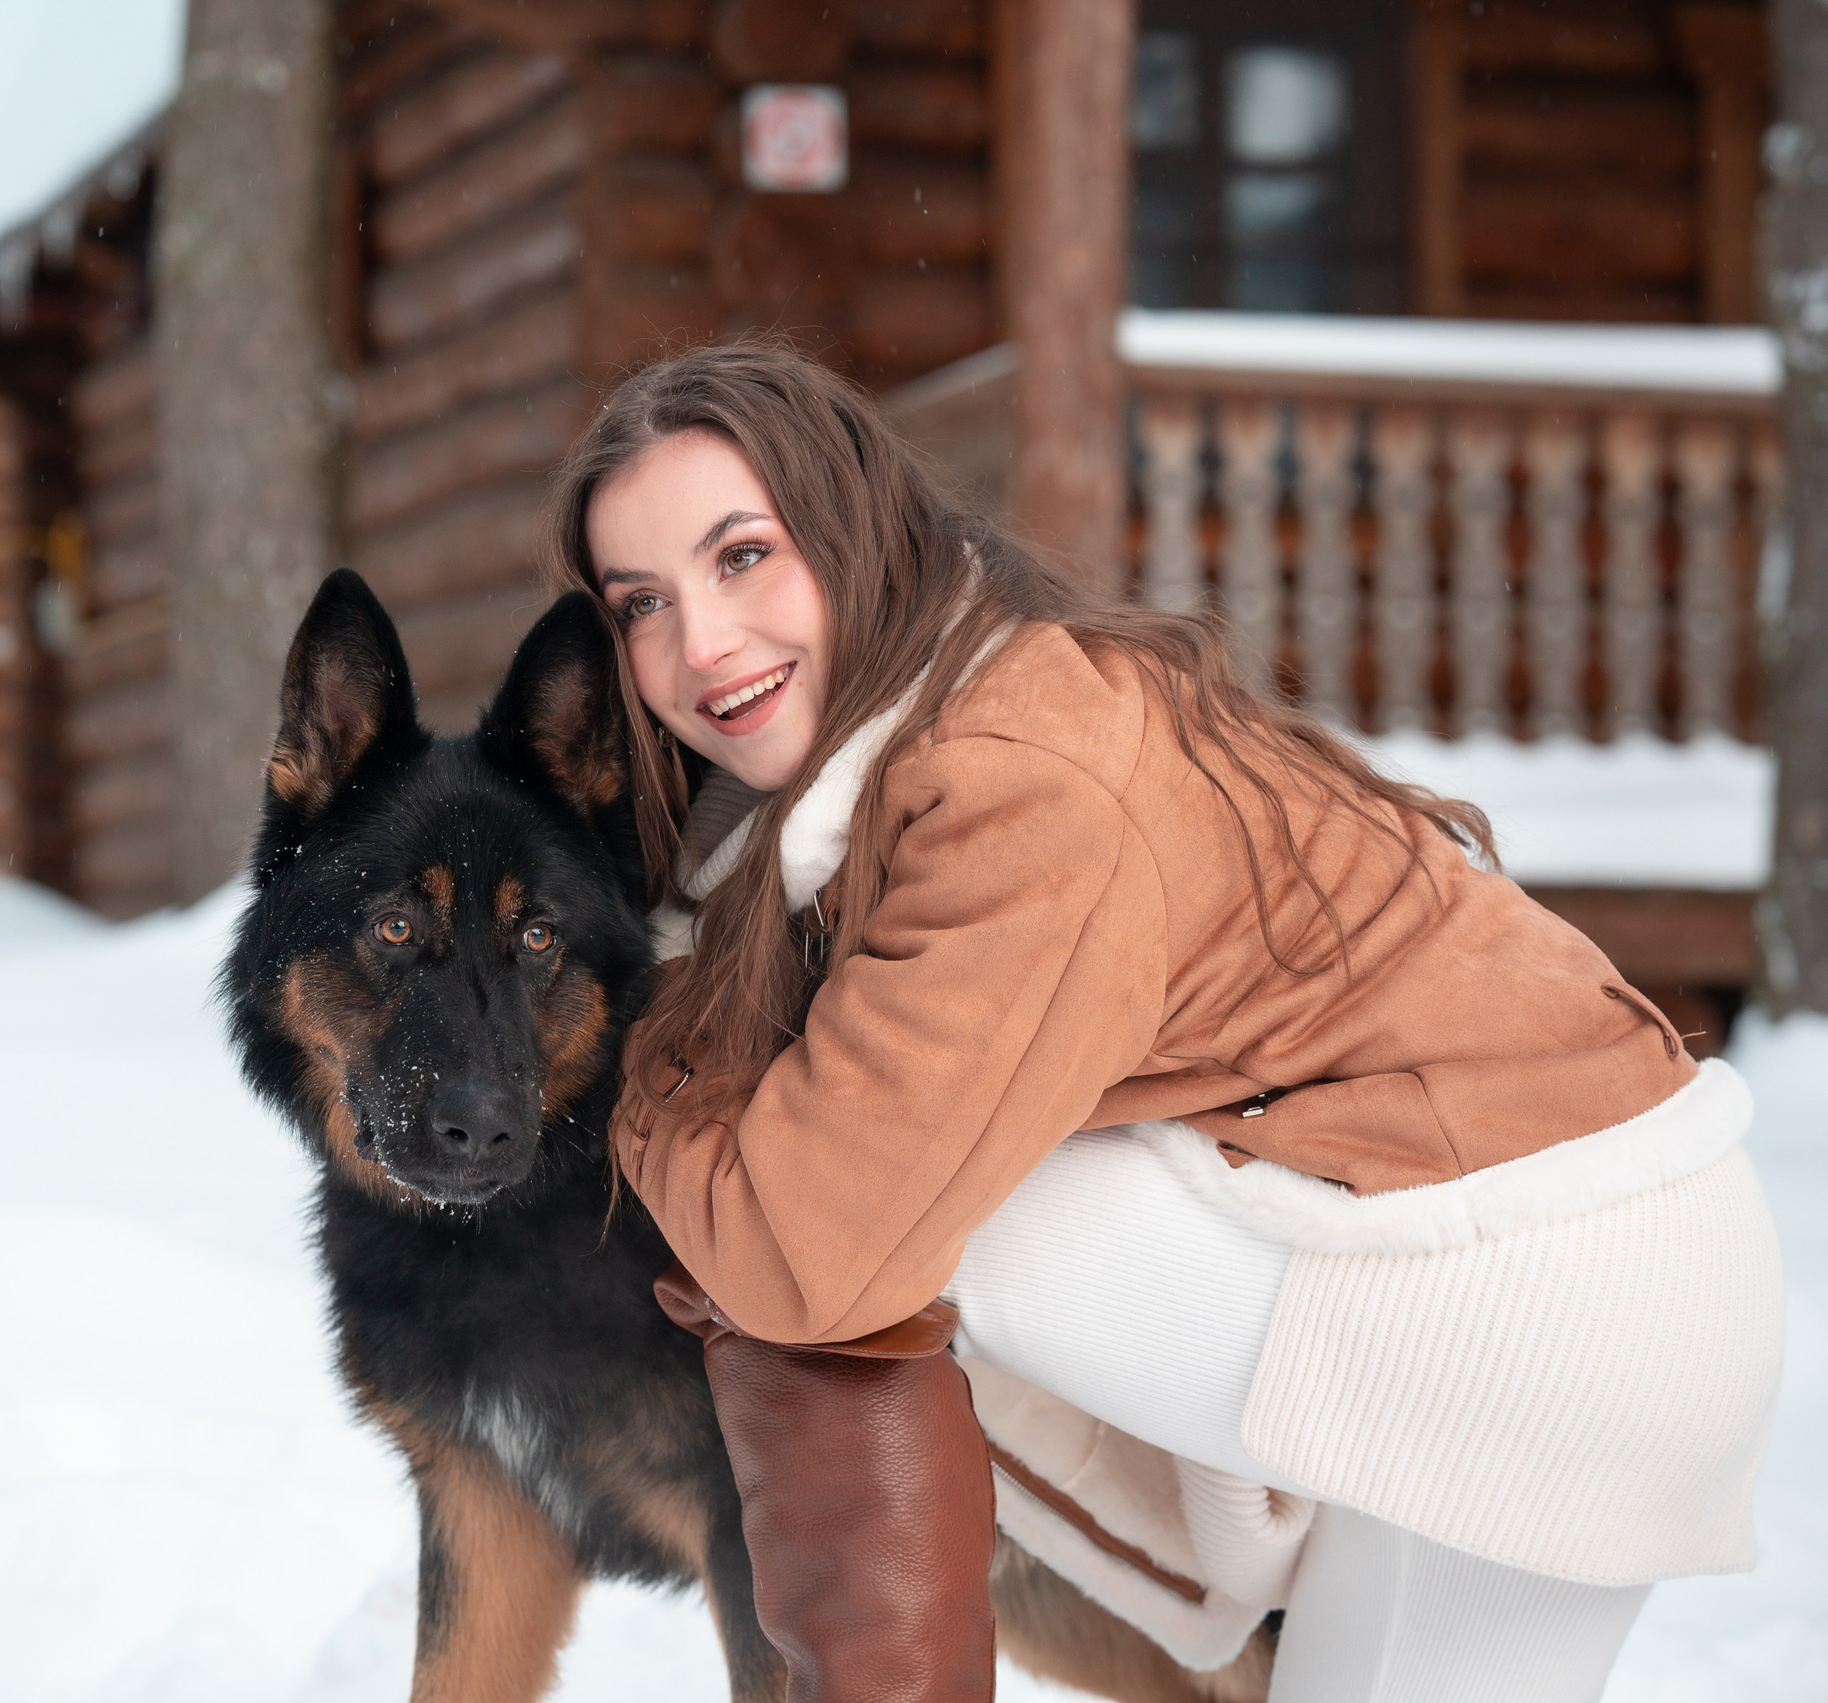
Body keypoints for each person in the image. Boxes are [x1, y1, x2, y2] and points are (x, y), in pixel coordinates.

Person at [544, 341, 1784, 1703]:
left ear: (855, 533)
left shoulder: (1015, 784)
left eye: (742, 558)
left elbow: (810, 1256)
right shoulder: (935, 742)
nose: (699, 646)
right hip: (1572, 1257)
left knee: (873, 1205)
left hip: (1546, 1290)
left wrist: (639, 1027)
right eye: (642, 603)